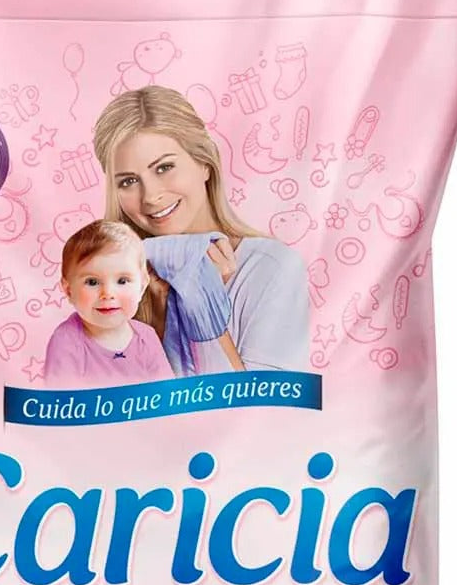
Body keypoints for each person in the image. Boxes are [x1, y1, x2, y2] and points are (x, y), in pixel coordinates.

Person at [92, 85, 310, 373]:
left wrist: (205, 305)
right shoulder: (115, 284)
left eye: (164, 167)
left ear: (204, 163)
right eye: (128, 181)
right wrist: (157, 318)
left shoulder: (272, 268)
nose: (150, 196)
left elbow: (260, 401)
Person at [43, 220, 173, 386]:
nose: (108, 294)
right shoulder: (66, 342)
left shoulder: (146, 337)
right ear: (69, 291)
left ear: (141, 287)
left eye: (122, 281)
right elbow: (60, 397)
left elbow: (167, 393)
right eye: (92, 282)